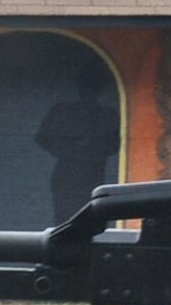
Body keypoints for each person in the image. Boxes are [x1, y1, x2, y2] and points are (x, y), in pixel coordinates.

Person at [33, 71, 122, 219]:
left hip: (92, 175)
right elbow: (42, 138)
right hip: (67, 175)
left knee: (90, 216)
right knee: (64, 216)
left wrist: (92, 149)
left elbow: (116, 145)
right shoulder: (63, 110)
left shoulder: (107, 114)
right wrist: (69, 150)